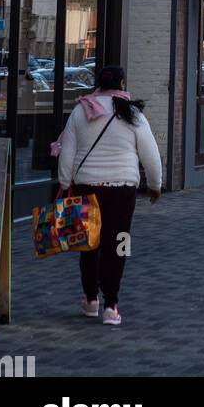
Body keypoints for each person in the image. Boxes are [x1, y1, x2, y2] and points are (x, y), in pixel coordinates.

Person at [56, 65, 163, 326]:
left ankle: (91, 300)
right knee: (117, 245)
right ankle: (111, 306)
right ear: (122, 83)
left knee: (89, 245)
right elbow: (151, 155)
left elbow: (67, 153)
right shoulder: (133, 113)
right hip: (122, 191)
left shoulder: (81, 111)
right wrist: (155, 185)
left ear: (99, 84)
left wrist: (63, 183)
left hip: (86, 187)